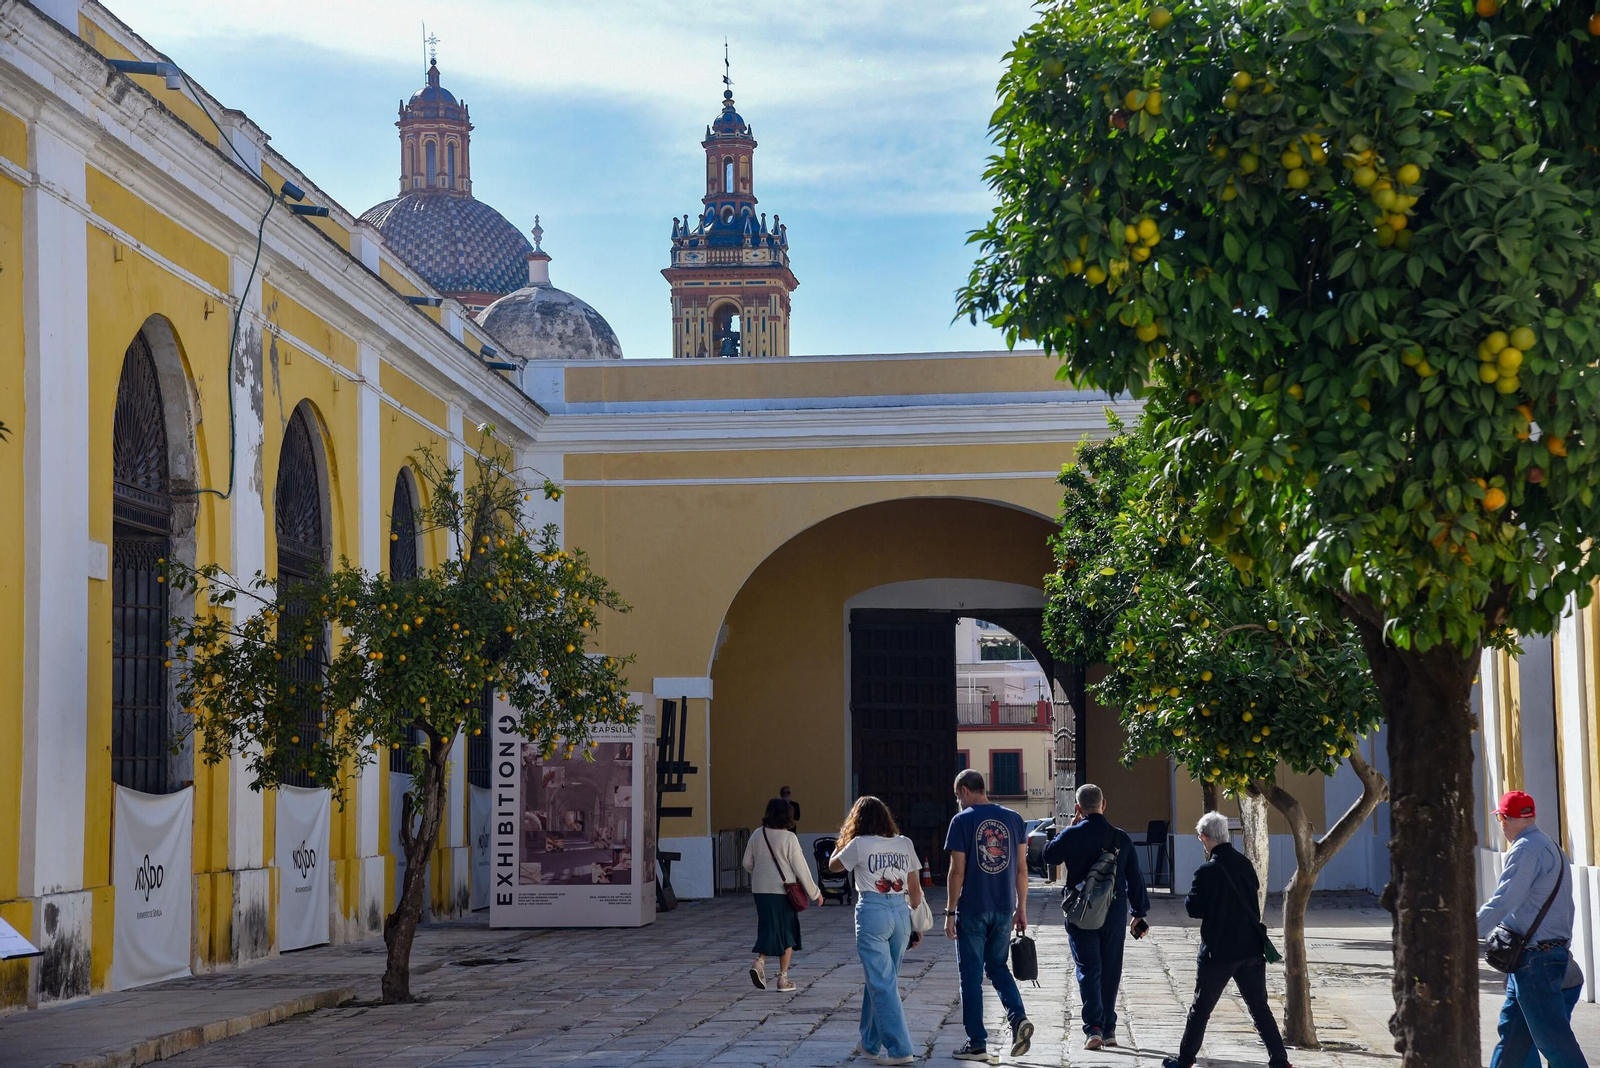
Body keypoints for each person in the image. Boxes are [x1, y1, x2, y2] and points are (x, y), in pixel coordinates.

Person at [1163, 811, 1292, 1068]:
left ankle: (1185, 1059)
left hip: (1218, 953)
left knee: (1200, 1010)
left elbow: (1193, 909)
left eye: (1200, 838)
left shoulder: (1206, 872)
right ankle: (1279, 1060)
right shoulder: (1245, 864)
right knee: (1259, 1008)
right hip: (1251, 949)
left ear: (1205, 837)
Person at [1478, 791, 1589, 1068]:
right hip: (1534, 958)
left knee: (1554, 1042)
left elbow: (1504, 901)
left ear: (1504, 819)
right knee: (1513, 1038)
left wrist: (1462, 931)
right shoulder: (1548, 844)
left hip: (1535, 960)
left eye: (1500, 819)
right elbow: (1565, 909)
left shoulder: (1526, 849)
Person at [1041, 783, 1151, 1050]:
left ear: (1078, 808)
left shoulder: (1071, 835)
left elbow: (1048, 856)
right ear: (1104, 804)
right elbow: (1135, 878)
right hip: (1114, 911)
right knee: (1111, 968)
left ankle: (1094, 1029)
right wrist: (1138, 913)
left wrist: (1069, 827)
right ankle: (1110, 1028)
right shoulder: (1120, 837)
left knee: (1089, 969)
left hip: (1081, 912)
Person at [943, 769, 1034, 1062]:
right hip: (1004, 907)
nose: (959, 801)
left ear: (966, 790)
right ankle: (1018, 1018)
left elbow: (957, 871)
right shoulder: (1014, 819)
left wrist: (949, 911)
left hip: (972, 908)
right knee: (997, 967)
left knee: (970, 975)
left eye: (959, 796)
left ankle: (977, 1042)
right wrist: (1021, 908)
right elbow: (1021, 869)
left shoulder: (961, 821)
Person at [829, 796, 924, 1067]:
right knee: (883, 980)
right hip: (901, 912)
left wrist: (843, 840)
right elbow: (915, 893)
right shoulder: (905, 843)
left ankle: (900, 1049)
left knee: (882, 983)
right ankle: (870, 1044)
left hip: (873, 912)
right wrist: (915, 926)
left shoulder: (858, 845)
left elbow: (833, 866)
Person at [742, 796, 821, 992]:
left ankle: (760, 962)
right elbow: (801, 868)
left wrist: (761, 874)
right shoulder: (789, 838)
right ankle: (782, 978)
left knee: (768, 927)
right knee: (787, 932)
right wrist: (815, 893)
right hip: (783, 892)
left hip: (760, 891)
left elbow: (746, 863)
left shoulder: (757, 834)